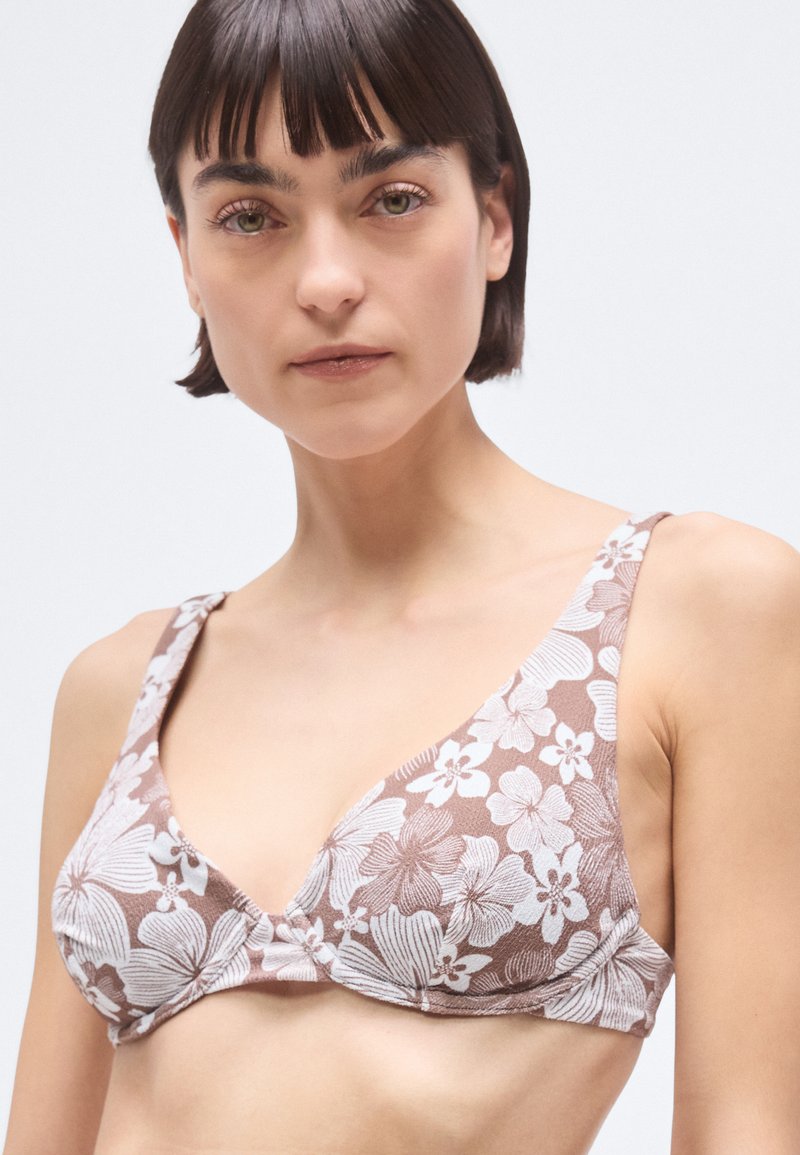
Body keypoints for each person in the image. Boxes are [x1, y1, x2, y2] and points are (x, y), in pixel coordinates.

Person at [4, 0, 799, 1152]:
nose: (325, 281)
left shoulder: (693, 609)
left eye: (390, 199)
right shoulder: (124, 688)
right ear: (185, 259)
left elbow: (747, 1125)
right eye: (249, 216)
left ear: (493, 221)